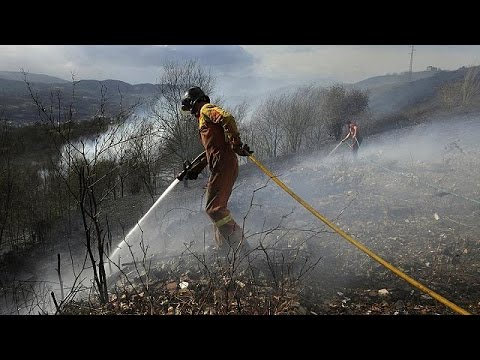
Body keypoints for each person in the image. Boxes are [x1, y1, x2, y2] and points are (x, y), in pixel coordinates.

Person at [180, 86, 253, 258]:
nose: (190, 113)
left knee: (214, 209)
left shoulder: (206, 109)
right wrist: (195, 170)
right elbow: (211, 150)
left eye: (188, 108)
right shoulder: (203, 120)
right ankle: (225, 247)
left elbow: (227, 117)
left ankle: (241, 247)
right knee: (215, 208)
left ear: (193, 103)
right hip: (220, 164)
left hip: (224, 164)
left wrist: (236, 144)